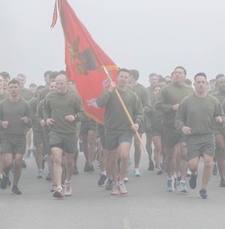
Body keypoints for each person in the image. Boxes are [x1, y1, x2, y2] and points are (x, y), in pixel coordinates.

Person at [176, 72, 225, 199]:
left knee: (208, 163)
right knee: (192, 165)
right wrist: (182, 127)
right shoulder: (187, 101)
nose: (201, 85)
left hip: (208, 136)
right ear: (194, 84)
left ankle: (203, 189)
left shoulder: (213, 101)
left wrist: (220, 119)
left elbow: (221, 116)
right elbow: (179, 118)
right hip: (193, 137)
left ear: (207, 85)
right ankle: (194, 174)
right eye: (198, 82)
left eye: (203, 82)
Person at [96, 68, 144, 196]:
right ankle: (114, 182)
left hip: (126, 131)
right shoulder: (110, 92)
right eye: (121, 76)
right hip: (111, 130)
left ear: (129, 79)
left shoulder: (132, 95)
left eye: (126, 77)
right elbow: (99, 103)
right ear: (117, 77)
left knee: (124, 156)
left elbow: (139, 112)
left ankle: (122, 181)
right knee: (112, 160)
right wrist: (110, 90)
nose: (123, 79)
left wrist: (137, 123)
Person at [40, 71, 85, 198]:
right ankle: (59, 187)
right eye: (57, 83)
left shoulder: (74, 96)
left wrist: (74, 117)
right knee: (57, 157)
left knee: (69, 161)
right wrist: (47, 119)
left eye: (61, 84)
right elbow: (45, 110)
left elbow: (82, 113)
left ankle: (68, 181)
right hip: (55, 131)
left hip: (69, 132)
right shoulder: (50, 97)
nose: (58, 86)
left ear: (67, 84)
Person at [155, 66, 194, 193]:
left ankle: (182, 181)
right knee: (170, 155)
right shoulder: (166, 89)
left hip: (184, 126)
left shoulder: (190, 90)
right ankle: (170, 177)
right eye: (175, 73)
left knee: (184, 153)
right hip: (170, 125)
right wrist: (172, 107)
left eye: (180, 73)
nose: (177, 75)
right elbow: (158, 106)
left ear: (185, 76)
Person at [0, 79, 34, 195]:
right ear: (8, 89)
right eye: (11, 87)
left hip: (20, 136)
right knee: (7, 163)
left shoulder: (25, 104)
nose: (13, 89)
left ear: (19, 88)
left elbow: (31, 122)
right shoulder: (1, 104)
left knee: (17, 162)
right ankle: (5, 175)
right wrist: (2, 123)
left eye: (15, 87)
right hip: (6, 137)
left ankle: (15, 185)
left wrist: (27, 121)